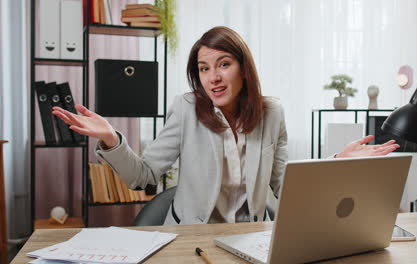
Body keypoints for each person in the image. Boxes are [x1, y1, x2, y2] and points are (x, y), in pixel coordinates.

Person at [52, 26, 399, 225]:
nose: (213, 77)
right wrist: (112, 139)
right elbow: (143, 176)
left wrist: (336, 164)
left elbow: (281, 186)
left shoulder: (272, 112)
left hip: (254, 236)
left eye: (223, 64)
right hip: (192, 238)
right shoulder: (187, 109)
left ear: (243, 68)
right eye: (204, 68)